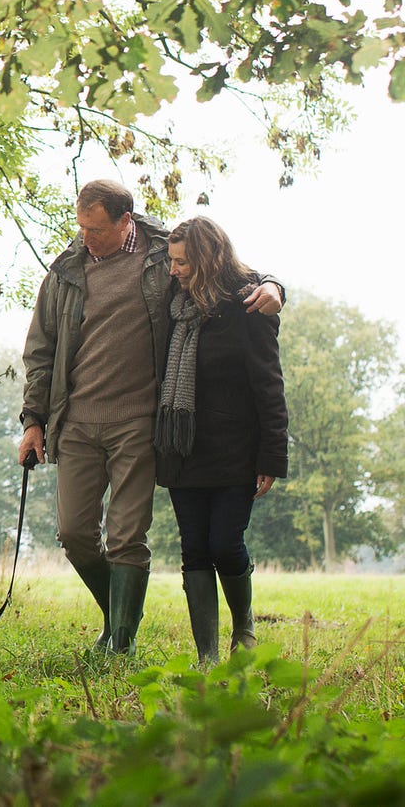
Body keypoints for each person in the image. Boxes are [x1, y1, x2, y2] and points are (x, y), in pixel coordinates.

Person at [16, 180, 283, 656]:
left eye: (95, 229)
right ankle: (115, 614)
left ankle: (121, 641)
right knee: (74, 534)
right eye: (80, 227)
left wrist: (274, 285)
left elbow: (224, 271)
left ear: (125, 221)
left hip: (139, 421)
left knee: (126, 537)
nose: (85, 238)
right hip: (76, 421)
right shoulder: (65, 272)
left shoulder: (163, 256)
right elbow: (41, 350)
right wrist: (33, 419)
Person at [156, 216, 289, 665]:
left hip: (236, 450)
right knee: (194, 548)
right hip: (181, 448)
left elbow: (270, 383)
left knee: (225, 543)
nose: (173, 270)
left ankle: (244, 630)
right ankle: (207, 656)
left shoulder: (247, 304)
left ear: (208, 259)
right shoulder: (171, 303)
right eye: (172, 261)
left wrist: (271, 453)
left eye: (183, 263)